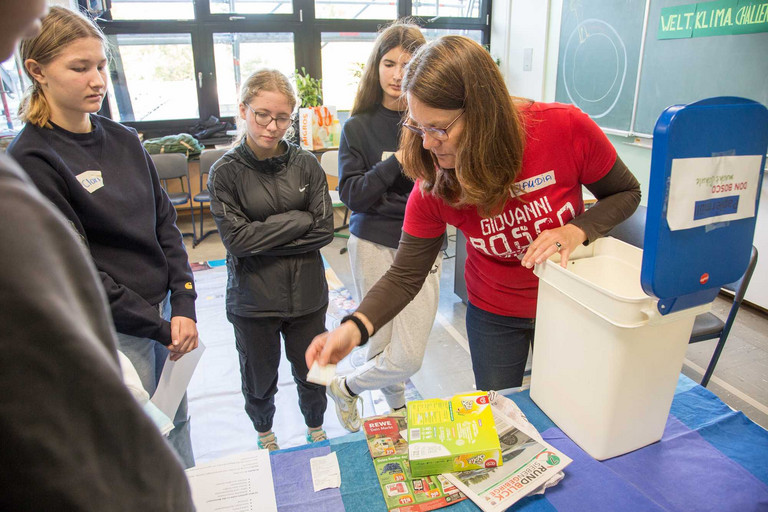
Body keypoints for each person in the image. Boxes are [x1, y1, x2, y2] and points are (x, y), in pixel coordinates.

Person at [307, 36, 641, 392]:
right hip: (493, 312)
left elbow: (626, 192)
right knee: (499, 408)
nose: (426, 143)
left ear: (483, 114)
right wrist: (353, 327)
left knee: (568, 403)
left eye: (438, 129)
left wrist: (577, 230)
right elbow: (405, 275)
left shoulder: (563, 128)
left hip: (567, 301)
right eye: (418, 127)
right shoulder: (434, 180)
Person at [0, 2, 193, 509]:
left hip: (168, 319)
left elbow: (165, 226)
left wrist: (185, 305)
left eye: (102, 66)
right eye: (80, 67)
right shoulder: (33, 159)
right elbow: (79, 271)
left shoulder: (127, 140)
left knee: (178, 425)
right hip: (117, 330)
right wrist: (156, 324)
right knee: (140, 444)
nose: (97, 80)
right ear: (37, 72)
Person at [208, 69, 334, 451]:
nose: (272, 126)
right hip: (254, 301)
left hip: (307, 297)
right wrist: (297, 220)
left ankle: (316, 427)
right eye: (262, 114)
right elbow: (238, 241)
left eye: (282, 117)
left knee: (314, 371)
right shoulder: (224, 172)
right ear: (243, 110)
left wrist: (264, 233)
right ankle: (265, 433)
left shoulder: (307, 165)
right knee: (258, 378)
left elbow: (325, 230)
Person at [327, 21, 442, 432]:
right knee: (381, 339)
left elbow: (440, 188)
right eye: (389, 63)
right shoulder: (357, 126)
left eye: (407, 65)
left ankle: (346, 387)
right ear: (376, 68)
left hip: (422, 246)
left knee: (408, 352)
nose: (397, 75)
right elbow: (354, 196)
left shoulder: (431, 121)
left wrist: (387, 185)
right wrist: (397, 162)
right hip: (373, 242)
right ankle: (396, 407)